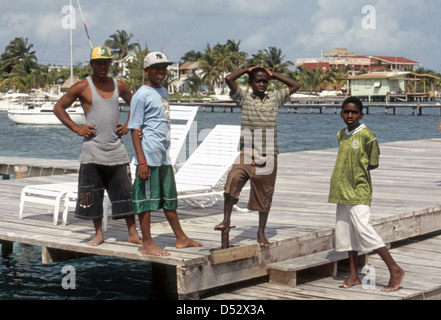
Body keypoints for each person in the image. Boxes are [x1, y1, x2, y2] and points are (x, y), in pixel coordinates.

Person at [53, 46, 141, 247]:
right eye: (98, 63)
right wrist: (77, 129)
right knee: (92, 194)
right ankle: (99, 233)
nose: (102, 66)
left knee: (125, 193)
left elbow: (136, 105)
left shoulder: (120, 85)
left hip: (116, 151)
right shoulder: (82, 86)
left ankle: (133, 233)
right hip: (92, 152)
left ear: (110, 64)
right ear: (91, 65)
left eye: (106, 62)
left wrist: (128, 125)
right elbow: (58, 108)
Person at [214, 66, 300, 247]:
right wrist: (247, 70)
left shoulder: (274, 98)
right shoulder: (244, 98)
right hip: (247, 152)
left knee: (265, 194)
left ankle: (260, 233)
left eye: (264, 81)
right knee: (233, 180)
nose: (262, 84)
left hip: (269, 153)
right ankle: (226, 220)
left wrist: (273, 74)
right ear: (251, 83)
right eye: (258, 81)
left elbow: (295, 84)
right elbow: (229, 78)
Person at [128, 52, 203, 256]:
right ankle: (147, 243)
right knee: (146, 200)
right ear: (146, 71)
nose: (161, 72)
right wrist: (141, 161)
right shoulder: (141, 95)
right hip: (148, 157)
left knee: (169, 199)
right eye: (156, 68)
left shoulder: (163, 92)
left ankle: (181, 238)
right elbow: (134, 130)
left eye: (164, 68)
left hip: (163, 156)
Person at [328, 97, 405, 292]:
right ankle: (354, 275)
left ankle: (395, 269)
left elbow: (373, 162)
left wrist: (357, 174)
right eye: (346, 112)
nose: (350, 115)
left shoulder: (367, 135)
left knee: (364, 229)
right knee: (346, 233)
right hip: (341, 189)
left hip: (359, 189)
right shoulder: (341, 134)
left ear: (361, 114)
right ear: (341, 113)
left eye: (354, 112)